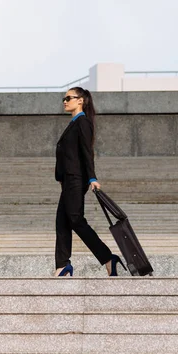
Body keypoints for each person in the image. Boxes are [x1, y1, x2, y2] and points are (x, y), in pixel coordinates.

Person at [54, 87, 126, 277]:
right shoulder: (74, 123)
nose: (65, 101)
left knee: (76, 220)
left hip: (76, 179)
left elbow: (87, 151)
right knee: (62, 221)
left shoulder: (83, 122)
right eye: (64, 98)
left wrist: (92, 178)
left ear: (81, 101)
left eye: (69, 98)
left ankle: (108, 258)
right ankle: (63, 266)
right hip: (68, 180)